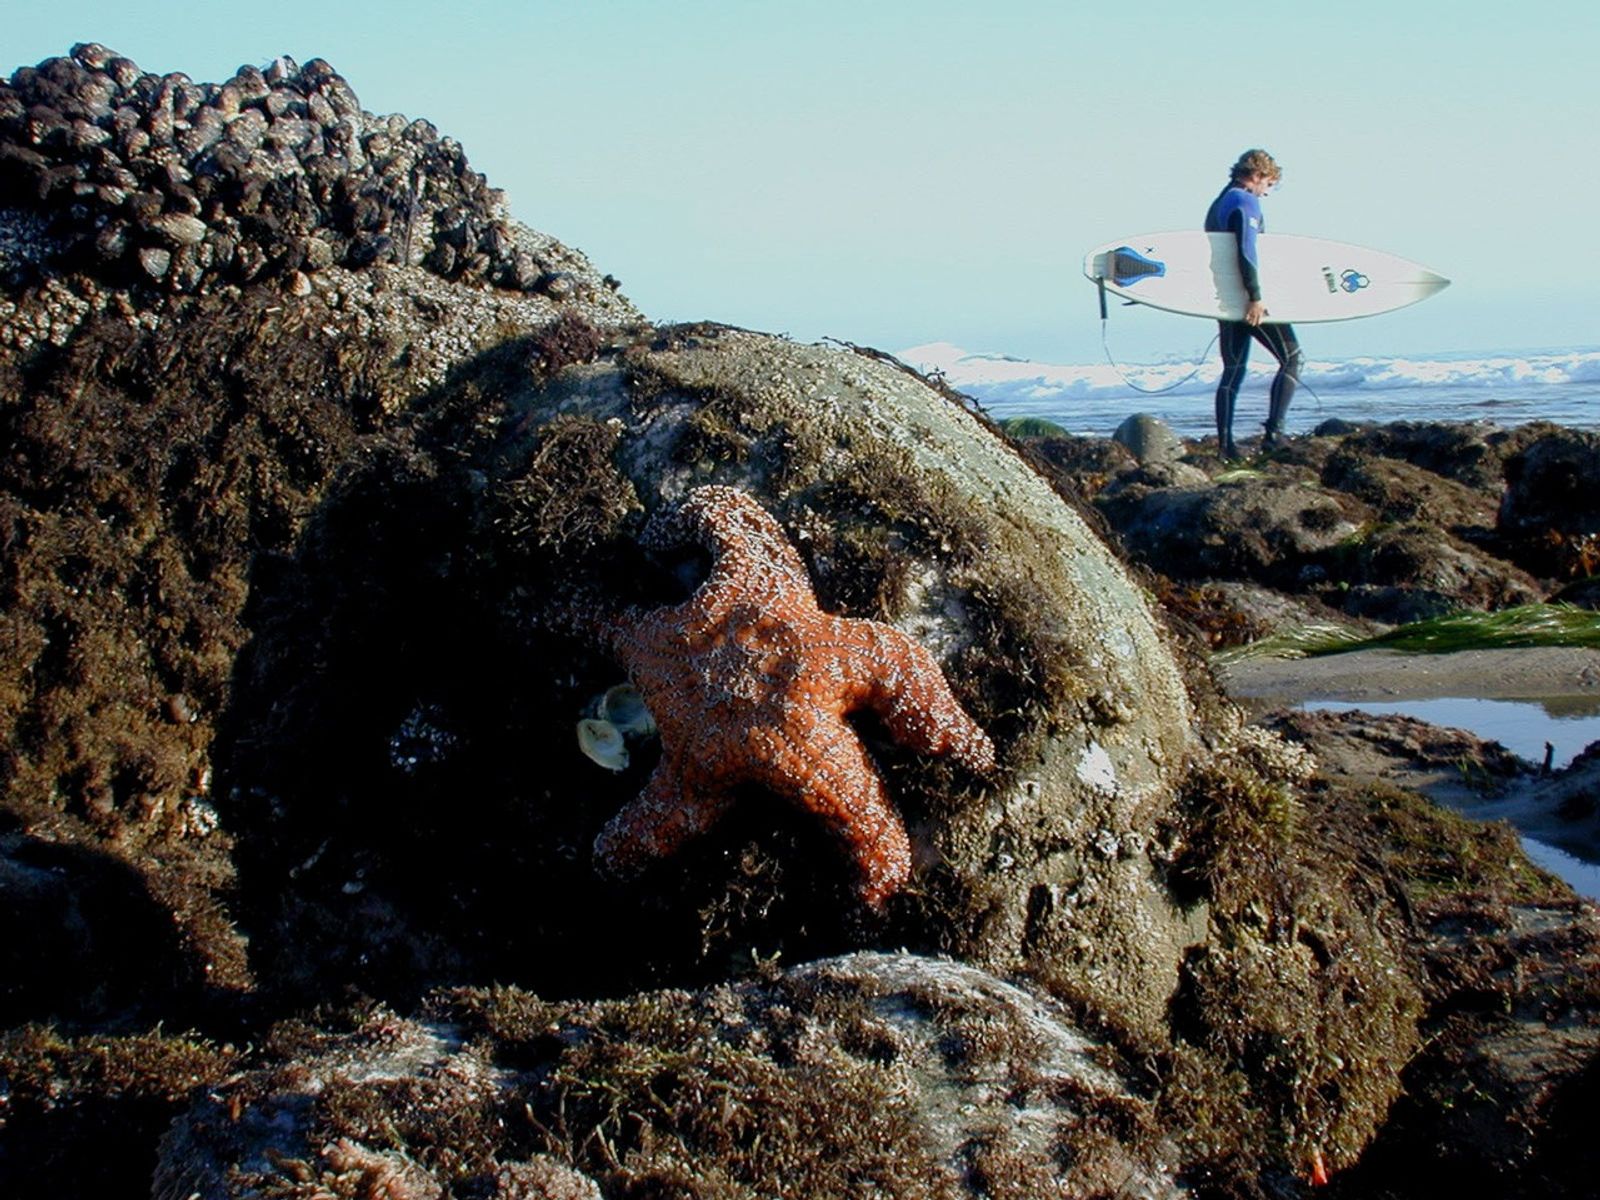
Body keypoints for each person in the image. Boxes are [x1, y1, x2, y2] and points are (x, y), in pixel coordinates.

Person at [1205, 149, 1304, 458]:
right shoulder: (1246, 201)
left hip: (1225, 300)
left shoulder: (1220, 201)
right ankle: (1274, 435)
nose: (1267, 192)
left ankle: (1226, 447)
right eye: (1269, 185)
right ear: (1258, 176)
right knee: (1293, 357)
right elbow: (1247, 252)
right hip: (1248, 300)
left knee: (1234, 369)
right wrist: (1256, 297)